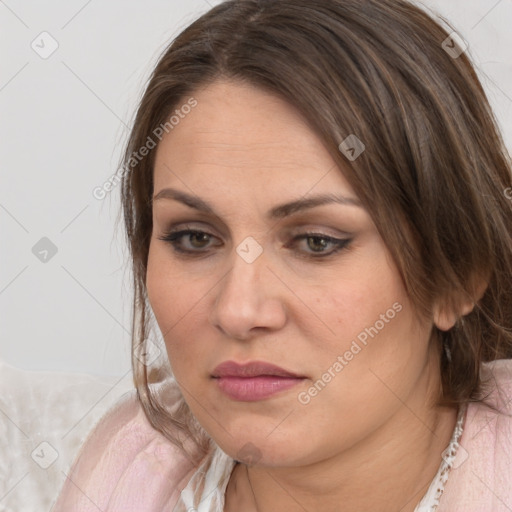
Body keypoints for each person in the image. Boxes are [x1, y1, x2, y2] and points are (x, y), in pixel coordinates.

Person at [53, 0, 512, 510]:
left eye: (317, 241)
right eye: (195, 238)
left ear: (459, 275)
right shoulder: (118, 471)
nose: (238, 311)